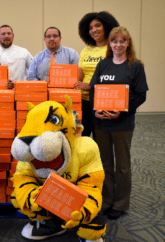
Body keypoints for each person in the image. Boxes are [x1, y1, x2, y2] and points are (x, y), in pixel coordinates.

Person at [89, 27, 149, 220]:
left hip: (122, 124)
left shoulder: (135, 66)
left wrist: (121, 112)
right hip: (101, 124)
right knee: (105, 163)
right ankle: (106, 201)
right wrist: (95, 110)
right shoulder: (103, 64)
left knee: (122, 166)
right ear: (110, 44)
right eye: (115, 41)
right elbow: (93, 91)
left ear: (128, 43)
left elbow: (140, 96)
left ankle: (121, 204)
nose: (118, 45)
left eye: (122, 41)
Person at [75, 11, 119, 139]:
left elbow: (116, 78)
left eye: (98, 25)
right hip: (84, 101)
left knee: (101, 141)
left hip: (103, 102)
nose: (94, 30)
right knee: (81, 138)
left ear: (107, 26)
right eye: (90, 28)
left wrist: (89, 86)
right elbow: (79, 75)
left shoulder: (113, 49)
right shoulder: (86, 50)